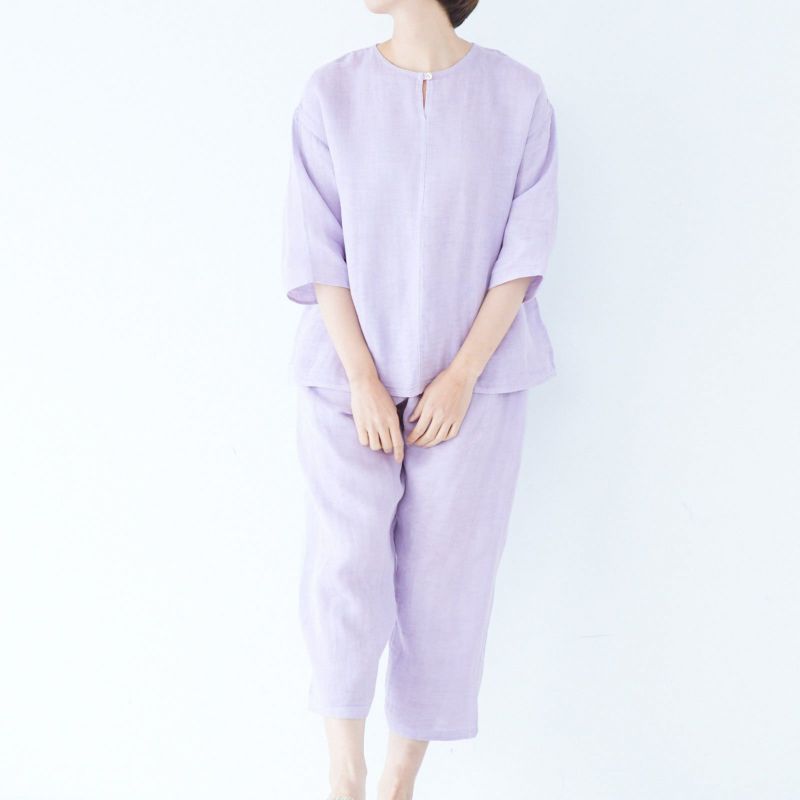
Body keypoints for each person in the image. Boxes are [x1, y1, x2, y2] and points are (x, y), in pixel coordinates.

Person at [280, 1, 559, 797]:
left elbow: (524, 250)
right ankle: (345, 774)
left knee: (447, 583)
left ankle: (399, 784)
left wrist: (462, 374)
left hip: (475, 384)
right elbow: (317, 247)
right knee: (344, 568)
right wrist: (363, 378)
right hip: (348, 378)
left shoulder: (519, 96)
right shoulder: (331, 93)